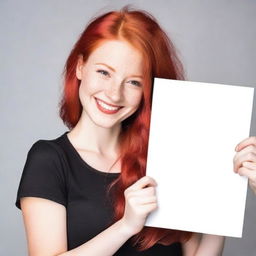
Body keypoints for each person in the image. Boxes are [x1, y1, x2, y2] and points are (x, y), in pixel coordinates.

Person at [15, 6, 256, 256]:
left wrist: (227, 194)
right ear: (80, 67)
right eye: (104, 72)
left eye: (133, 82)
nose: (114, 93)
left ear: (147, 90)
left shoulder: (168, 154)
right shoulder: (49, 160)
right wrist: (126, 227)